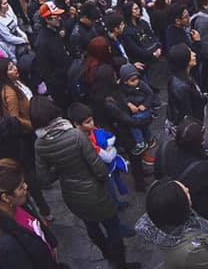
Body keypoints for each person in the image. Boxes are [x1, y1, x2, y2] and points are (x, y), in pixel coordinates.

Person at [31, 97, 138, 269]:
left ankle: (107, 255)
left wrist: (62, 168)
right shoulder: (76, 135)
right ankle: (120, 263)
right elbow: (98, 168)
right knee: (111, 225)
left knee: (91, 226)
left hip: (71, 194)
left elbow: (44, 178)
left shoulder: (39, 144)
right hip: (95, 191)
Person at [0, 158, 61, 269]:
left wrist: (52, 242)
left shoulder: (18, 204)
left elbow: (37, 224)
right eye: (20, 187)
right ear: (6, 197)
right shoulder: (6, 245)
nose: (26, 186)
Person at [134, 179, 208, 269]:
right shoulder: (190, 251)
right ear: (178, 206)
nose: (187, 189)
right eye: (185, 192)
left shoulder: (168, 216)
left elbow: (199, 223)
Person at [33, 2, 72, 110]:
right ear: (47, 19)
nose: (59, 19)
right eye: (56, 17)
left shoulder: (55, 32)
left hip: (67, 78)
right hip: (60, 86)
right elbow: (46, 71)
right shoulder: (42, 43)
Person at [166, 44, 208, 133]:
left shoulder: (185, 75)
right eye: (190, 53)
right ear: (184, 59)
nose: (194, 54)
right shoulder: (180, 87)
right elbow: (186, 114)